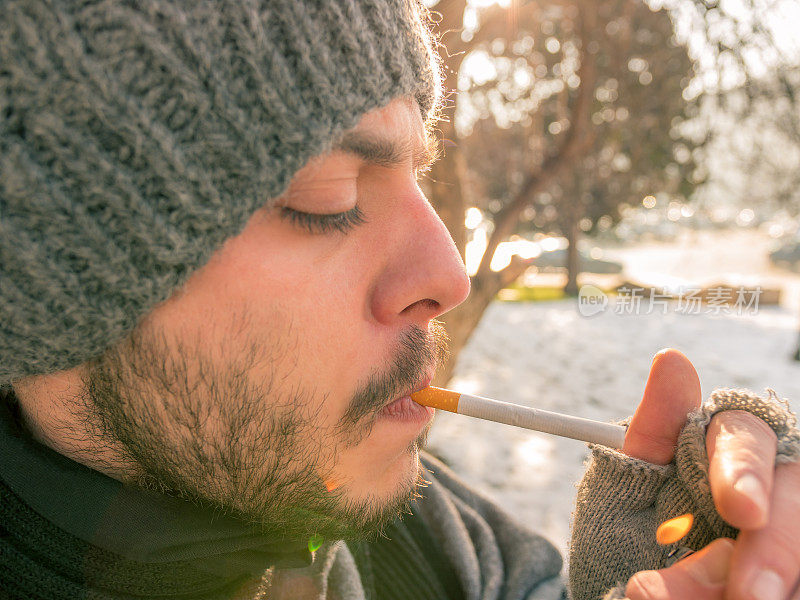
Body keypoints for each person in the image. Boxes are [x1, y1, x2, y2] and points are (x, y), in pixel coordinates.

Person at [1, 1, 799, 599]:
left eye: (418, 173)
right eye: (327, 195)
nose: (449, 277)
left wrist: (660, 569)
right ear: (60, 271)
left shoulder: (450, 552)